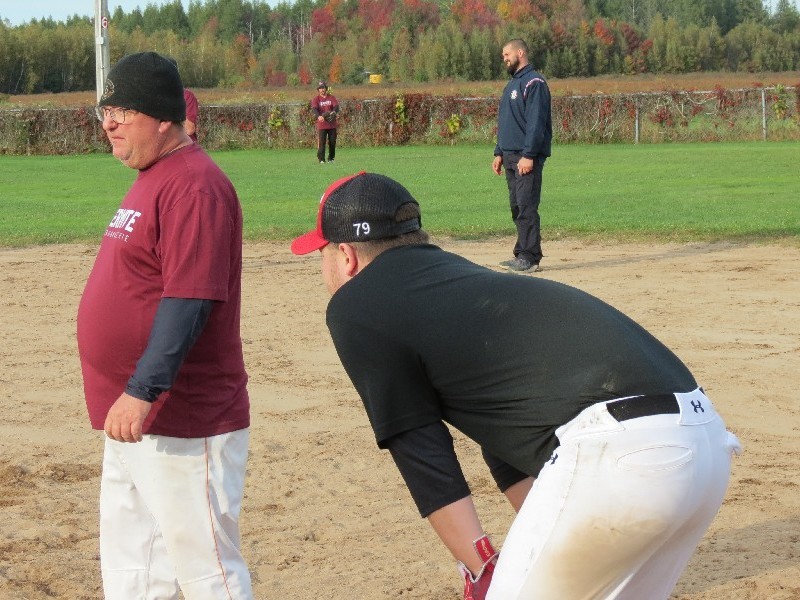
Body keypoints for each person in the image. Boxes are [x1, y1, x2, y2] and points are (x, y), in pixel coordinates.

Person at [290, 171, 742, 600]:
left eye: (322, 255)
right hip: (704, 448)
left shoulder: (355, 303)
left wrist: (482, 566)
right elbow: (506, 430)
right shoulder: (460, 281)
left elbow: (419, 446)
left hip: (618, 457)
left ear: (346, 256)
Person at [77, 51, 253, 600]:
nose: (109, 124)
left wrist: (142, 390)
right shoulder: (155, 176)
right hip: (134, 417)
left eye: (122, 111)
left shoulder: (194, 184)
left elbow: (190, 299)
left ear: (161, 118)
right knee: (137, 571)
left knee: (207, 572)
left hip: (182, 417)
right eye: (105, 111)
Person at [492, 39, 552, 273]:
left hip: (525, 157)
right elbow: (505, 121)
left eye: (507, 54)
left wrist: (529, 155)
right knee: (517, 206)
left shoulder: (534, 82)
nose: (504, 59)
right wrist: (498, 152)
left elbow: (536, 123)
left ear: (520, 52)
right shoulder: (512, 85)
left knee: (526, 206)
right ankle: (521, 253)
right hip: (509, 155)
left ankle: (530, 257)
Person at [311, 80, 339, 163]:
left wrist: (334, 112)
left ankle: (331, 158)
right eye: (320, 88)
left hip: (332, 124)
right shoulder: (316, 99)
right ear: (318, 90)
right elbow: (314, 109)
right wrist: (318, 116)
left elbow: (336, 107)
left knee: (332, 142)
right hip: (322, 124)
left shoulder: (331, 97)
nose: (322, 90)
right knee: (322, 143)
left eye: (323, 88)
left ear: (326, 88)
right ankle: (321, 159)